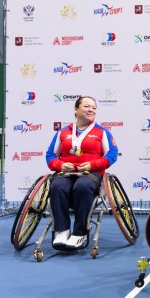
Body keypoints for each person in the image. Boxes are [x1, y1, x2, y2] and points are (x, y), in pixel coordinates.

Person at [45, 95, 119, 250]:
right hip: (66, 173)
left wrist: (92, 165)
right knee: (57, 186)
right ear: (76, 110)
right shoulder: (62, 132)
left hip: (90, 174)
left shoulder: (102, 132)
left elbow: (112, 154)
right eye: (86, 106)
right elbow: (50, 155)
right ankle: (62, 230)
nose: (91, 110)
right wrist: (60, 165)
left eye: (94, 107)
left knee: (83, 186)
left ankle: (80, 232)